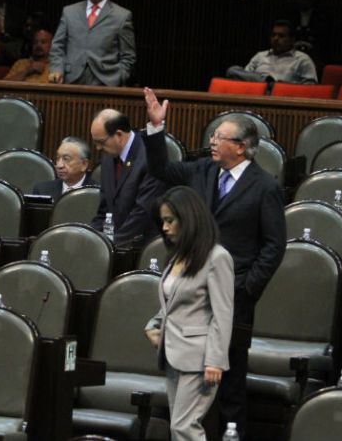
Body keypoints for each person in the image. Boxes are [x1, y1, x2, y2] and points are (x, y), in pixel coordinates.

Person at [142, 88, 286, 438]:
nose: (212, 142)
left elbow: (274, 246)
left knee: (231, 380)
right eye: (213, 136)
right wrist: (156, 127)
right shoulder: (203, 170)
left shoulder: (264, 186)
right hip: (193, 293)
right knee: (192, 382)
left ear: (242, 146)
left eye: (220, 138)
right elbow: (160, 168)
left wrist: (248, 288)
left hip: (235, 294)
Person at [145, 186, 235, 441]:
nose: (164, 227)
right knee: (179, 427)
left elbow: (223, 313)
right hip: (173, 353)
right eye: (162, 221)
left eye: (170, 221)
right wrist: (153, 325)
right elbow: (172, 302)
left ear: (189, 218)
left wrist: (215, 360)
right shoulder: (178, 256)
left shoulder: (217, 258)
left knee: (184, 428)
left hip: (200, 358)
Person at [90, 109, 167, 246]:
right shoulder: (109, 156)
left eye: (101, 142)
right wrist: (91, 240)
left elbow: (143, 212)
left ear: (119, 135)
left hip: (142, 245)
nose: (97, 148)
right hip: (115, 243)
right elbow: (104, 209)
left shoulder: (149, 157)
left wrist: (110, 245)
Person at [48, 0, 136, 86]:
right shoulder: (69, 12)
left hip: (107, 81)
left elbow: (128, 55)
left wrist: (119, 77)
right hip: (71, 79)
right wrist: (57, 69)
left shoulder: (121, 16)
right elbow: (58, 46)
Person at [226, 19, 318, 84]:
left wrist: (284, 86)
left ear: (292, 39)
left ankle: (271, 85)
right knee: (232, 70)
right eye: (273, 35)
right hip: (257, 95)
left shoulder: (302, 59)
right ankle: (268, 82)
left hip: (284, 98)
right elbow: (245, 76)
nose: (275, 38)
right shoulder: (260, 56)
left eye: (281, 36)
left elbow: (310, 87)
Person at [32, 137, 97, 200]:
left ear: (84, 164)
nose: (59, 165)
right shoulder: (42, 191)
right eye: (57, 158)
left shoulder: (98, 193)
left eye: (66, 159)